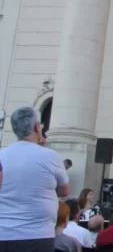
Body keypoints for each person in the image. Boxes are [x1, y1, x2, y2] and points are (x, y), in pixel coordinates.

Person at [0, 106, 70, 252]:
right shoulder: (50, 156)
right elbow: (64, 191)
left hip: (3, 233)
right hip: (37, 235)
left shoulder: (2, 155)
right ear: (38, 127)